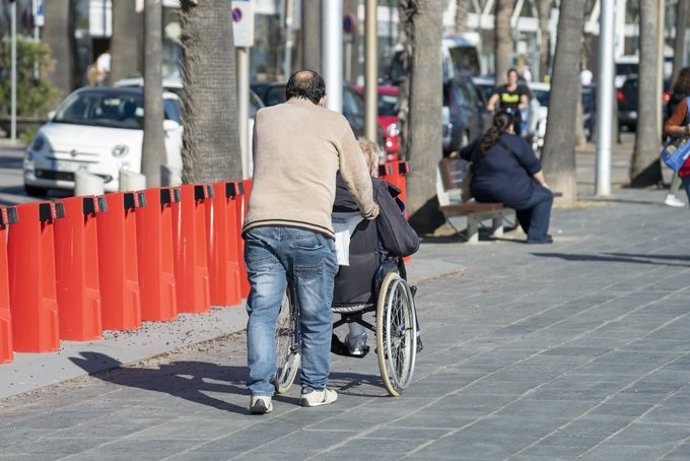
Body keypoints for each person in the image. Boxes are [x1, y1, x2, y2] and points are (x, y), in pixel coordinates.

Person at [242, 70, 379, 415]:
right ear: (322, 98)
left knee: (262, 310)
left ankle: (260, 391)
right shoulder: (334, 122)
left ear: (288, 92)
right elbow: (356, 173)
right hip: (309, 227)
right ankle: (313, 388)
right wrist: (369, 207)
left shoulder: (263, 117)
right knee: (316, 314)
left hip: (261, 225)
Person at [331, 138, 420, 356]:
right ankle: (410, 332)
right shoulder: (377, 188)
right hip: (368, 282)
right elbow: (403, 242)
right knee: (394, 260)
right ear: (371, 167)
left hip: (326, 280)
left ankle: (356, 337)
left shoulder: (324, 189)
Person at [460, 109, 554, 244]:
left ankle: (533, 231)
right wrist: (543, 184)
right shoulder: (517, 142)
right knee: (544, 196)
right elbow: (534, 167)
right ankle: (537, 236)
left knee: (525, 196)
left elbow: (464, 153)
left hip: (481, 192)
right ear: (511, 125)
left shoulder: (483, 140)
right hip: (509, 192)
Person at [662, 68, 690, 208]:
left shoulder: (675, 96)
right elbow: (669, 125)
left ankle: (671, 194)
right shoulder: (686, 102)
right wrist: (684, 129)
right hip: (686, 150)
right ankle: (671, 194)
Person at [487, 68, 530, 136]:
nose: (512, 78)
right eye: (510, 76)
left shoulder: (520, 89)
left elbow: (524, 102)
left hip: (515, 115)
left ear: (516, 78)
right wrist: (491, 106)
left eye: (514, 76)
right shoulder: (502, 89)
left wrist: (521, 106)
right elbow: (492, 101)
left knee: (521, 126)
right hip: (504, 114)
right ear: (508, 77)